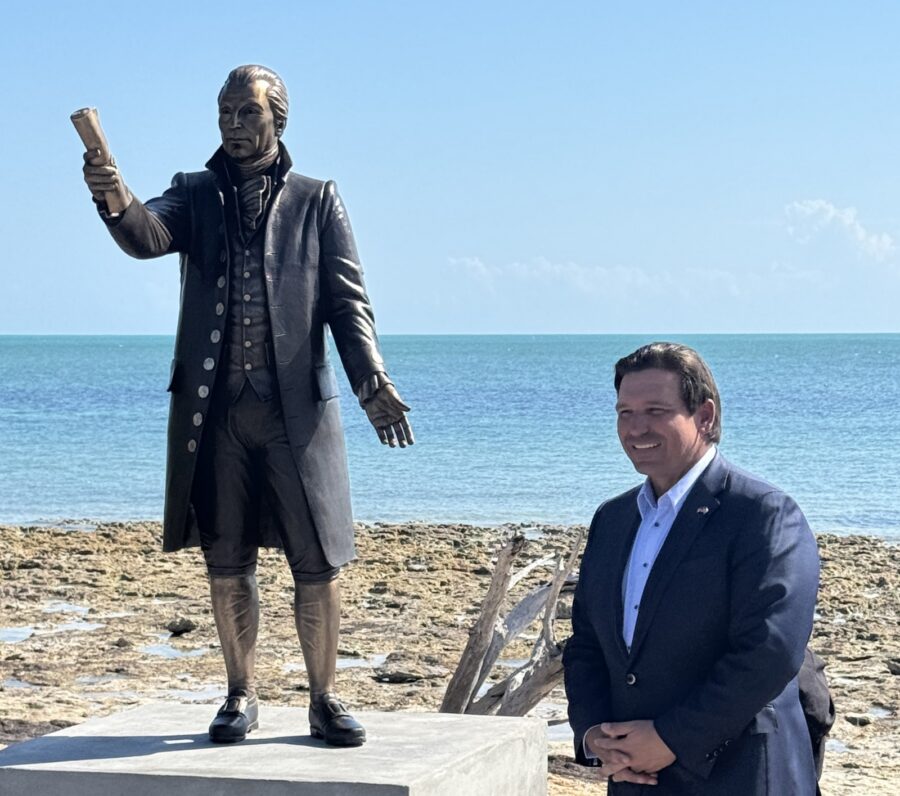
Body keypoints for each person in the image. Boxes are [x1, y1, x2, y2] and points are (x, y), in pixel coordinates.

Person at [81, 64, 413, 747]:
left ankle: (324, 697)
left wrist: (371, 381)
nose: (233, 124)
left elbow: (348, 303)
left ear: (277, 119)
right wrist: (113, 194)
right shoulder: (194, 193)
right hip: (216, 416)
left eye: (247, 113)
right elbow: (146, 234)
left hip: (299, 415)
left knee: (316, 560)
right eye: (225, 112)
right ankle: (240, 693)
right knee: (226, 558)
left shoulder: (318, 200)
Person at [564, 342, 820, 794]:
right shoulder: (612, 518)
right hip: (634, 777)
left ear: (705, 416)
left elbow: (770, 651)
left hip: (740, 775)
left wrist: (671, 738)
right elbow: (586, 641)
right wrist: (594, 734)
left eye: (656, 411)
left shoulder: (762, 514)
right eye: (625, 413)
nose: (636, 428)